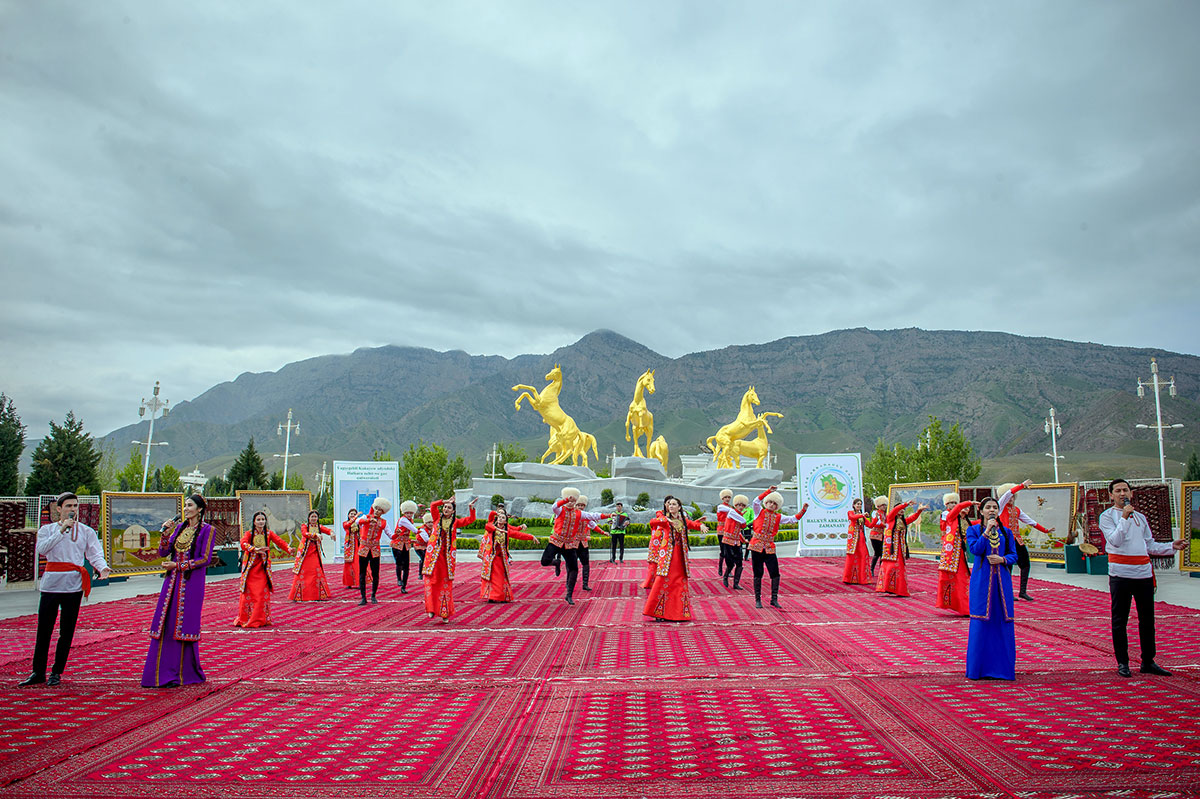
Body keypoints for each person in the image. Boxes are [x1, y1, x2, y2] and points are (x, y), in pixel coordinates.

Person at [18, 492, 111, 687]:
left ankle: (57, 671)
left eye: (75, 506)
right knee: (44, 629)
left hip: (73, 586)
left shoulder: (86, 531)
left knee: (66, 631)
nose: (72, 510)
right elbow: (43, 549)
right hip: (51, 585)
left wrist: (102, 567)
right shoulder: (47, 530)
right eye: (68, 506)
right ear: (59, 509)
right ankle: (38, 671)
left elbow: (95, 553)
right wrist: (61, 530)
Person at [1100, 478, 1185, 678]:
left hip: (1143, 575)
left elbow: (1149, 545)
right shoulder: (1107, 517)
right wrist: (1124, 518)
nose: (1123, 494)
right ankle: (1123, 662)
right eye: (1118, 491)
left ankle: (1148, 661)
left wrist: (1171, 546)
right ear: (1111, 495)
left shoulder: (1140, 517)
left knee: (1147, 620)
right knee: (1120, 620)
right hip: (1121, 575)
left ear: (1131, 493)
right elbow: (1115, 540)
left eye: (1126, 490)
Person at [142, 494, 215, 688]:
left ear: (199, 509)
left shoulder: (208, 530)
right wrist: (165, 534)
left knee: (182, 625)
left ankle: (183, 673)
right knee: (166, 622)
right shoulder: (180, 528)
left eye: (190, 506)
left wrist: (179, 566)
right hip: (171, 582)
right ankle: (160, 673)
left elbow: (205, 558)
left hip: (191, 584)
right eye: (185, 505)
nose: (186, 509)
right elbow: (164, 553)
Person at [965, 496, 1018, 680]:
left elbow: (1013, 554)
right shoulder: (973, 530)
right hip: (982, 582)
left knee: (1002, 620)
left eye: (995, 507)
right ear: (981, 511)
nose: (992, 510)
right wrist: (986, 531)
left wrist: (1003, 560)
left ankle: (1002, 669)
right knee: (981, 620)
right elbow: (975, 550)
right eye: (988, 507)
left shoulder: (1007, 532)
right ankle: (978, 669)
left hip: (1002, 583)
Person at [643, 496, 706, 621]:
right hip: (667, 557)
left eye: (674, 504)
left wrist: (701, 526)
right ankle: (657, 612)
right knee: (661, 582)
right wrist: (665, 520)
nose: (671, 506)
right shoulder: (665, 519)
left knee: (679, 584)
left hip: (680, 558)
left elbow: (692, 524)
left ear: (679, 507)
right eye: (669, 504)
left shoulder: (683, 520)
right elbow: (652, 522)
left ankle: (677, 614)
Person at [542, 487, 607, 605]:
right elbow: (554, 507)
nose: (572, 503)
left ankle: (569, 595)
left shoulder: (579, 513)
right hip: (556, 541)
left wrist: (608, 515)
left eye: (574, 501)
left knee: (574, 569)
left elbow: (593, 517)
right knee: (544, 561)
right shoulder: (560, 510)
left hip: (569, 544)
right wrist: (566, 500)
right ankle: (556, 562)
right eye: (570, 501)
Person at [748, 487, 808, 609]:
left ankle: (774, 599)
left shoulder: (778, 516)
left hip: (770, 547)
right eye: (770, 502)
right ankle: (758, 599)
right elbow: (755, 501)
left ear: (777, 506)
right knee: (758, 573)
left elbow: (793, 519)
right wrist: (768, 492)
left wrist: (803, 510)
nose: (771, 505)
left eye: (775, 503)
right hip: (756, 546)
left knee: (775, 573)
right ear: (766, 502)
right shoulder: (758, 511)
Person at [998, 480, 1056, 601]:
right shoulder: (1000, 507)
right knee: (1007, 566)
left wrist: (1045, 530)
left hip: (1017, 540)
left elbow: (1030, 521)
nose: (1011, 498)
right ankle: (1007, 592)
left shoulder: (1017, 510)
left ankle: (1022, 591)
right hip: (1006, 541)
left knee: (1025, 564)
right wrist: (1022, 486)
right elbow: (1007, 493)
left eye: (1013, 497)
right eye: (1010, 496)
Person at [424, 495, 477, 621]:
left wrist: (471, 508)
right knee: (431, 582)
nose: (446, 509)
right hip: (433, 558)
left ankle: (444, 613)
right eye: (445, 507)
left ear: (453, 511)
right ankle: (431, 609)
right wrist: (444, 500)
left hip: (446, 559)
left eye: (449, 508)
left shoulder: (455, 522)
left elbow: (471, 520)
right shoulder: (436, 518)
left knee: (445, 585)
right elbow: (433, 505)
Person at [234, 511, 292, 627]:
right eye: (258, 520)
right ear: (254, 522)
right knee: (248, 594)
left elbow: (279, 542)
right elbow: (243, 543)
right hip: (250, 569)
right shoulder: (249, 534)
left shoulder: (268, 533)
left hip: (263, 568)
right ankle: (247, 618)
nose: (261, 522)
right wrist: (253, 549)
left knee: (261, 593)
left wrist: (288, 548)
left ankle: (260, 619)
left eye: (263, 519)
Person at [479, 506, 536, 602]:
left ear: (506, 521)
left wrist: (531, 537)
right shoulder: (491, 527)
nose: (500, 519)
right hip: (491, 557)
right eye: (499, 517)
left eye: (503, 517)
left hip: (501, 558)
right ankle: (492, 596)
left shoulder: (507, 531)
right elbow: (488, 525)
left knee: (501, 578)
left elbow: (518, 535)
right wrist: (495, 516)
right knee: (491, 577)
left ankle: (500, 596)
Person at [874, 501, 927, 598]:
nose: (902, 510)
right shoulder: (890, 518)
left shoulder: (903, 521)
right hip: (891, 548)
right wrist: (905, 504)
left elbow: (912, 518)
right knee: (890, 567)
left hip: (900, 548)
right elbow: (894, 510)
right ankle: (888, 587)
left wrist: (919, 511)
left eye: (903, 509)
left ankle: (898, 589)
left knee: (899, 568)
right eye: (900, 509)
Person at [937, 494, 975, 616]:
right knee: (955, 579)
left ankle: (964, 606)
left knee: (963, 580)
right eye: (951, 503)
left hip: (960, 553)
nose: (953, 505)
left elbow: (975, 524)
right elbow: (957, 509)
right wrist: (970, 502)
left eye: (955, 502)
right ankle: (962, 607)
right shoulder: (949, 516)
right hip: (951, 552)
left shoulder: (964, 520)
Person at [289, 510, 333, 602]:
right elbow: (305, 534)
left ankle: (317, 595)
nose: (314, 519)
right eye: (312, 517)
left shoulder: (319, 526)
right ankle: (298, 595)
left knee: (316, 571)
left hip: (314, 553)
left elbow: (327, 530)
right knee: (302, 572)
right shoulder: (304, 526)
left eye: (315, 517)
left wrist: (332, 533)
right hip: (305, 553)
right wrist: (315, 534)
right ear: (308, 518)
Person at [353, 497, 391, 606]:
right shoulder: (366, 517)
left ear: (383, 512)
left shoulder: (383, 522)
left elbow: (390, 534)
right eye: (376, 509)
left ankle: (373, 595)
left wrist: (398, 535)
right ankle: (363, 597)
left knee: (375, 573)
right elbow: (357, 521)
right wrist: (368, 520)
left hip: (375, 550)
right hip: (364, 548)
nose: (377, 511)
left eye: (380, 510)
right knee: (362, 573)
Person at [716, 494, 750, 589]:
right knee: (730, 562)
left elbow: (741, 527)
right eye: (739, 505)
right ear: (735, 505)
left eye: (743, 505)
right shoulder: (731, 512)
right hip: (727, 541)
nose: (740, 507)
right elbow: (743, 522)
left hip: (736, 541)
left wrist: (743, 540)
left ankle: (736, 583)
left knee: (739, 563)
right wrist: (743, 520)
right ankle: (725, 576)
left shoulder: (738, 514)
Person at [575, 495, 609, 591]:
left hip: (583, 543)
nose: (581, 507)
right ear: (575, 505)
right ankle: (570, 584)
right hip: (573, 543)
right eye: (579, 505)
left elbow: (593, 525)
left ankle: (585, 584)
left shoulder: (586, 516)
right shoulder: (572, 515)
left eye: (582, 505)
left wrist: (603, 532)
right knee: (572, 565)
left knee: (586, 564)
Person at [841, 498, 875, 586]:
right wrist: (862, 515)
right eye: (857, 504)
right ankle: (848, 578)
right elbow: (852, 517)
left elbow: (870, 525)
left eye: (860, 504)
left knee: (863, 556)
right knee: (851, 556)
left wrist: (875, 518)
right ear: (853, 505)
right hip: (853, 539)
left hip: (861, 538)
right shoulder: (850, 513)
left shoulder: (861, 515)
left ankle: (862, 579)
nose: (859, 506)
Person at [389, 501, 419, 594]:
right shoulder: (403, 520)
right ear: (403, 512)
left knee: (406, 566)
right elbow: (414, 530)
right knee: (399, 563)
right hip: (397, 544)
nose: (409, 515)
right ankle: (399, 579)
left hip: (405, 544)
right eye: (407, 513)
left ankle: (404, 585)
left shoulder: (410, 521)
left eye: (411, 513)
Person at [341, 508, 364, 590]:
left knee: (357, 564)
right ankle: (349, 583)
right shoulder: (345, 523)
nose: (353, 515)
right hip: (349, 547)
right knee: (348, 565)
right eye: (351, 514)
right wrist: (356, 517)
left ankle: (359, 583)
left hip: (358, 546)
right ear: (348, 515)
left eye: (354, 514)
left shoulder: (359, 524)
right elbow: (347, 525)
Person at [868, 496, 888, 577]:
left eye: (885, 505)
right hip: (875, 535)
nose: (884, 507)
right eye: (883, 505)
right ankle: (872, 569)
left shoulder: (886, 514)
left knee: (883, 553)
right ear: (878, 505)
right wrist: (885, 525)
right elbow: (877, 523)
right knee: (877, 552)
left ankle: (881, 569)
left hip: (883, 535)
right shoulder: (875, 513)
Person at [715, 488, 734, 574]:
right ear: (722, 498)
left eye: (729, 497)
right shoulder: (720, 506)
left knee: (729, 551)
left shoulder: (730, 507)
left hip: (729, 531)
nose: (727, 499)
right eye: (725, 497)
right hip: (721, 531)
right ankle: (720, 567)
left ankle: (727, 569)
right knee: (723, 551)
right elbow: (729, 511)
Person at [415, 511, 433, 575]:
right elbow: (426, 539)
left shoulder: (433, 529)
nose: (430, 524)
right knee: (423, 558)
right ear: (425, 523)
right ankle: (420, 573)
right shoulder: (422, 529)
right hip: (419, 546)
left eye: (432, 522)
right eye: (429, 522)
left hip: (427, 546)